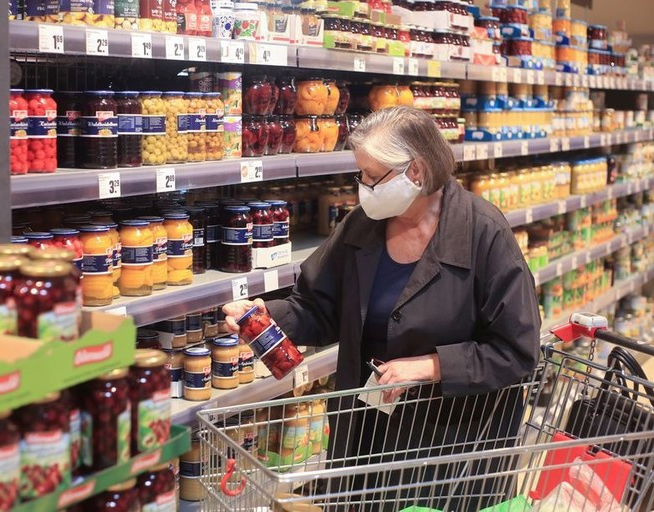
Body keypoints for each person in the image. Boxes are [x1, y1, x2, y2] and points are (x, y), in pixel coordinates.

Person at [223, 106, 541, 511]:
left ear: (418, 170)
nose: (364, 188)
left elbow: (518, 349)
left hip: (451, 443)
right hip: (364, 434)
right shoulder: (362, 225)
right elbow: (319, 307)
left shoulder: (483, 233)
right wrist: (266, 316)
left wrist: (432, 366)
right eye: (362, 176)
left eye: (374, 177)